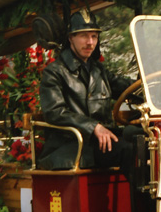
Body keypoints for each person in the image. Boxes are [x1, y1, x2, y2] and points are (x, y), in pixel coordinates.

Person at [38, 9, 134, 173]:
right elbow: (55, 112)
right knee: (129, 150)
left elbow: (125, 87)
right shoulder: (54, 72)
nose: (90, 42)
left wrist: (159, 86)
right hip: (71, 143)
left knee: (144, 138)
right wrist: (94, 127)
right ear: (71, 38)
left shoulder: (98, 70)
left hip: (100, 140)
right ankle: (139, 200)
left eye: (94, 36)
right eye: (84, 36)